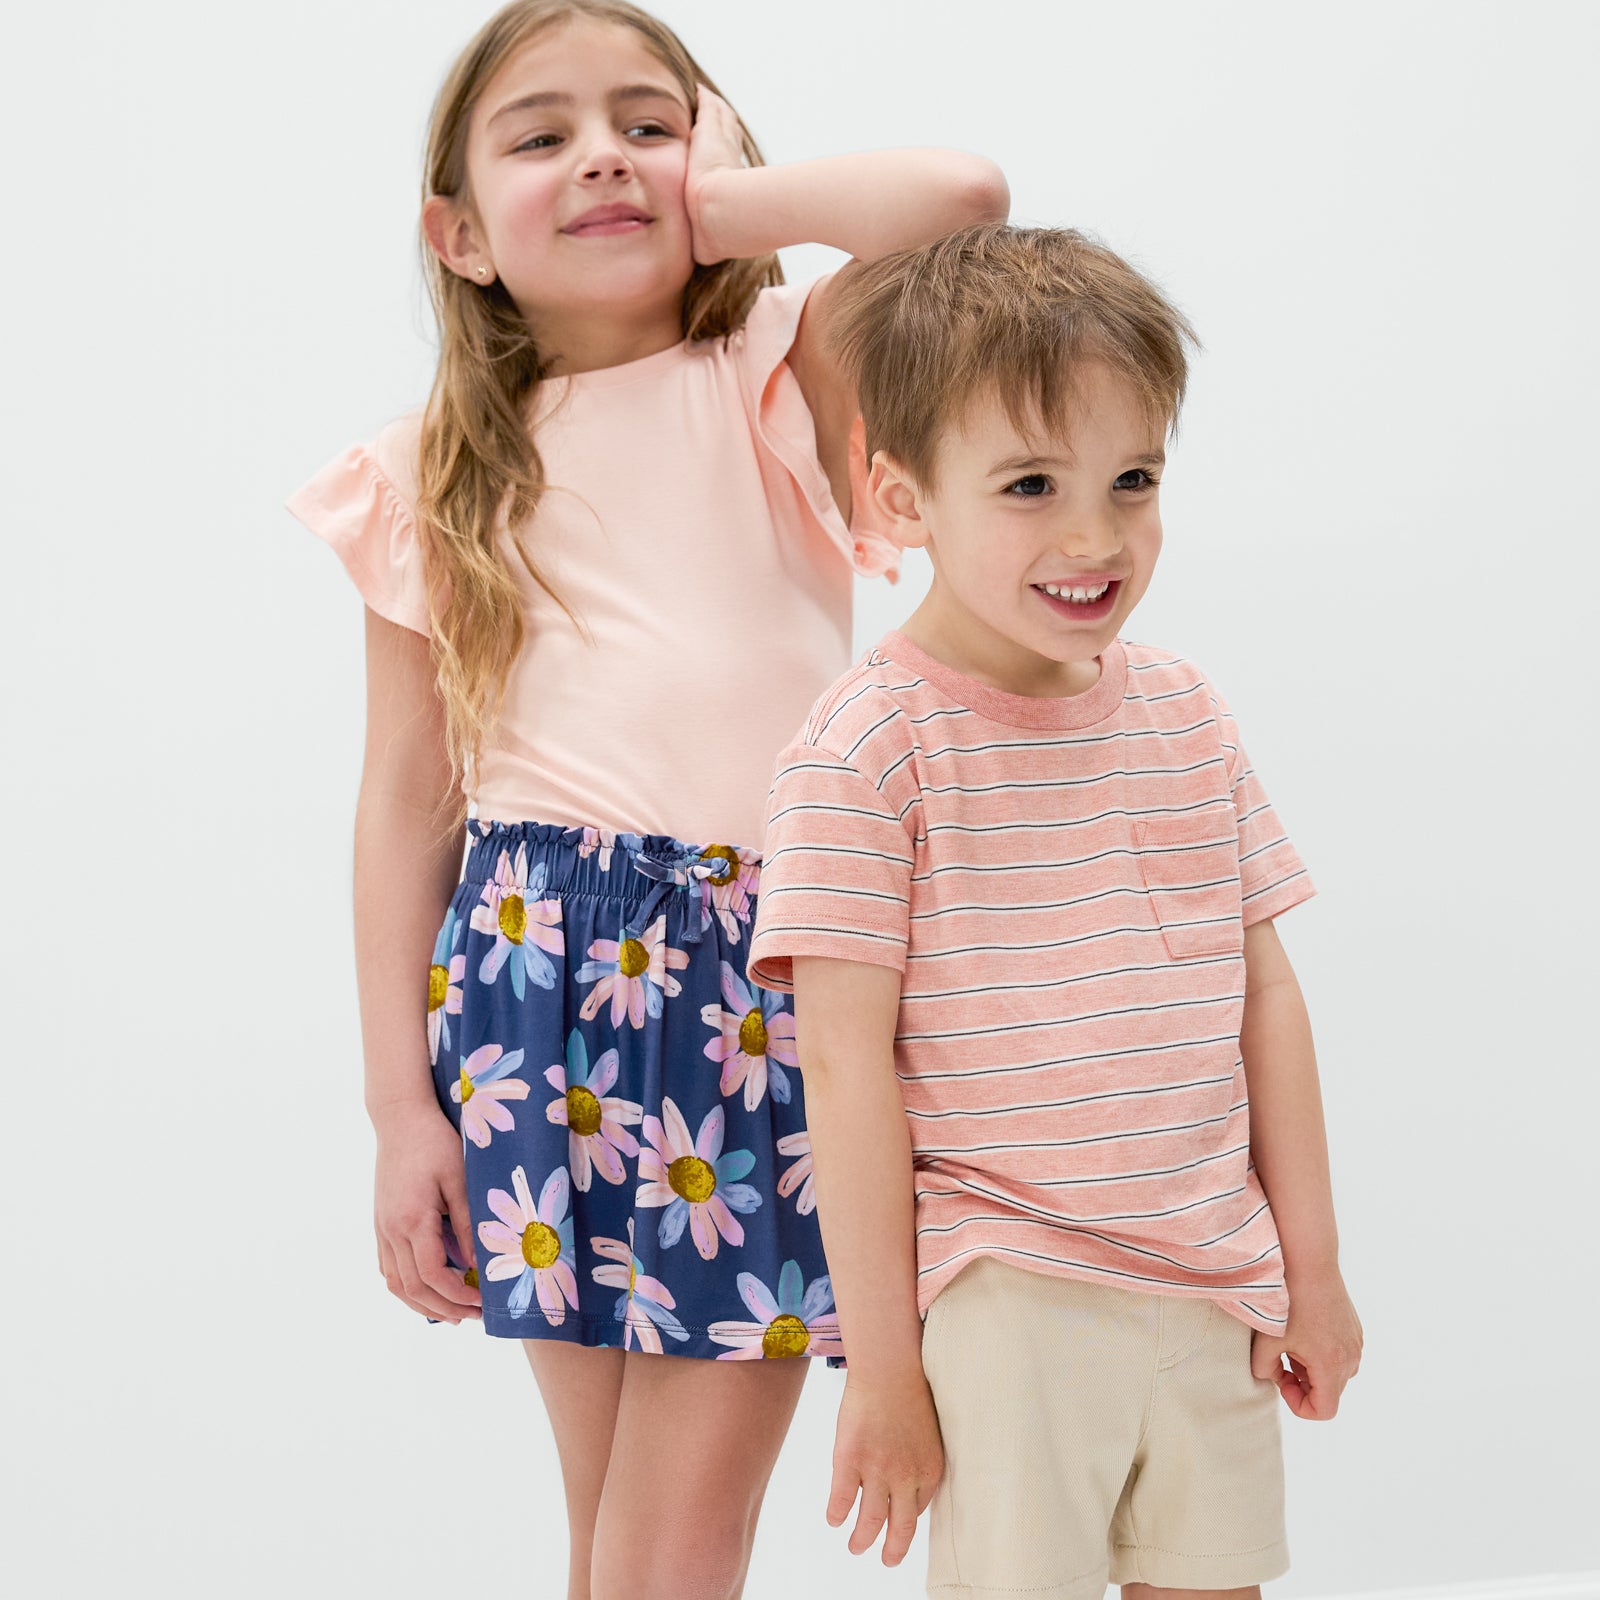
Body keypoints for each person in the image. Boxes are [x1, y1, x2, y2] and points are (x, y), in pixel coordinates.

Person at [286, 4, 1008, 1595]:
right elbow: (404, 804)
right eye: (542, 136)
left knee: (672, 1534)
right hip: (529, 980)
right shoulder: (422, 469)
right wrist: (399, 1108)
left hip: (763, 978)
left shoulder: (775, 372)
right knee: (617, 1517)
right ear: (456, 233)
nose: (603, 154)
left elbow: (960, 198)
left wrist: (723, 210)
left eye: (648, 121)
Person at [748, 223, 1363, 1595]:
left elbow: (1266, 994)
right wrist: (886, 1371)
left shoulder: (1187, 714)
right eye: (1030, 485)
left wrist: (1308, 1268)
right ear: (900, 498)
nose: (1097, 538)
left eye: (1132, 479)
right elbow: (841, 1076)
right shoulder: (866, 749)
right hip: (1010, 1288)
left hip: (1211, 1282)